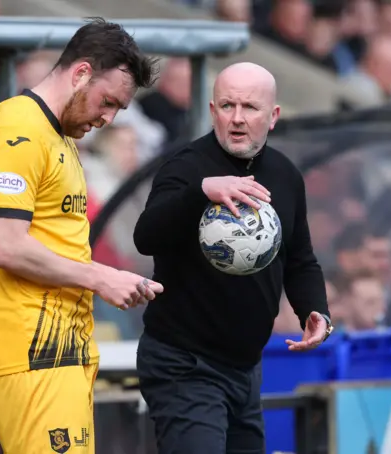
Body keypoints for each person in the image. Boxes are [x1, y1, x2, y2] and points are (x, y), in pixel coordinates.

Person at [0, 19, 162, 454]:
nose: (108, 117)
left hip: (63, 349)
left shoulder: (61, 139)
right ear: (80, 74)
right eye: (107, 101)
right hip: (30, 351)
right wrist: (102, 277)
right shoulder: (17, 128)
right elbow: (6, 245)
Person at [133, 62, 333, 454]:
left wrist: (315, 310)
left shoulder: (285, 175)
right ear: (212, 111)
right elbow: (145, 236)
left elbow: (300, 258)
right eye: (227, 106)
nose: (237, 119)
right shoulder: (185, 167)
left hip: (245, 368)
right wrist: (201, 192)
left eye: (250, 108)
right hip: (185, 365)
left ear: (273, 116)